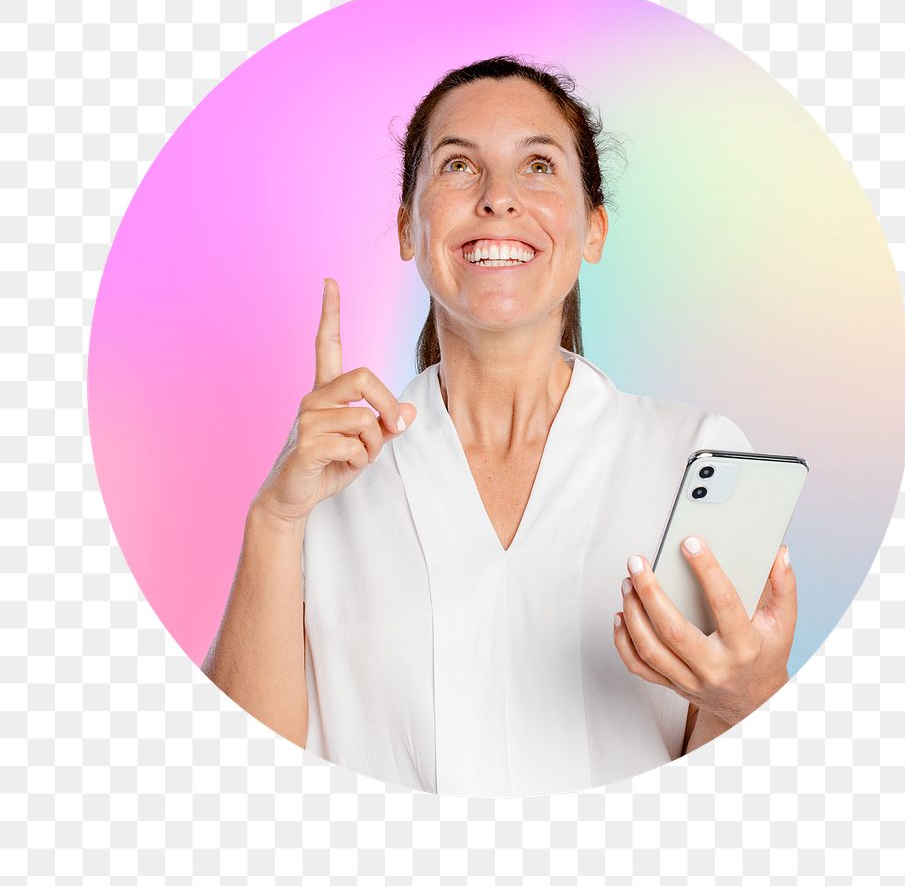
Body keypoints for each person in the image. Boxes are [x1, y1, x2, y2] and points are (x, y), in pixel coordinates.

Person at [202, 55, 796, 798]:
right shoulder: (326, 480)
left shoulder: (693, 457)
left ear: (594, 230)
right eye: (457, 167)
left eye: (539, 166)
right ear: (407, 230)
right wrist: (274, 520)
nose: (498, 200)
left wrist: (746, 694)